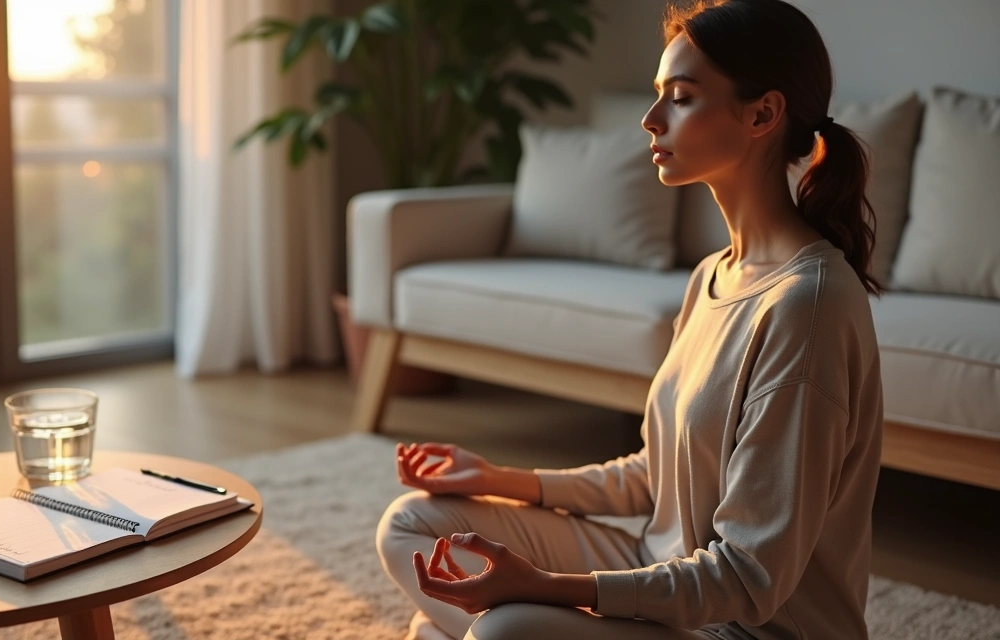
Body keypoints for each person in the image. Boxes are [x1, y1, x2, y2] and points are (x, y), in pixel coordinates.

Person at [374, 0, 886, 638]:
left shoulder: (807, 308)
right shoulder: (712, 276)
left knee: (503, 629)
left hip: (739, 627)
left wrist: (549, 589)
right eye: (658, 96)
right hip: (660, 569)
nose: (650, 120)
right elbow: (654, 475)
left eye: (681, 97)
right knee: (413, 524)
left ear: (762, 113)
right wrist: (498, 478)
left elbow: (747, 577)